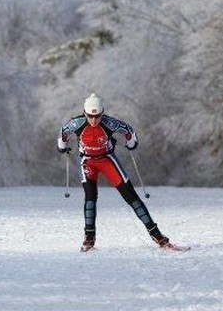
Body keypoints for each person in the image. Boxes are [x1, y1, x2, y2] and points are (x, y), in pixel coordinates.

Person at [58, 93, 182, 252]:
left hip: (107, 160)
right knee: (90, 197)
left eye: (97, 116)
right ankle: (89, 238)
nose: (94, 120)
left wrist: (131, 143)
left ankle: (157, 235)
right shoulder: (76, 123)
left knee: (131, 196)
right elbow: (63, 132)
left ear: (102, 113)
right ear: (84, 113)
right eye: (90, 116)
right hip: (87, 161)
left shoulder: (109, 123)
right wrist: (62, 147)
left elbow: (128, 131)